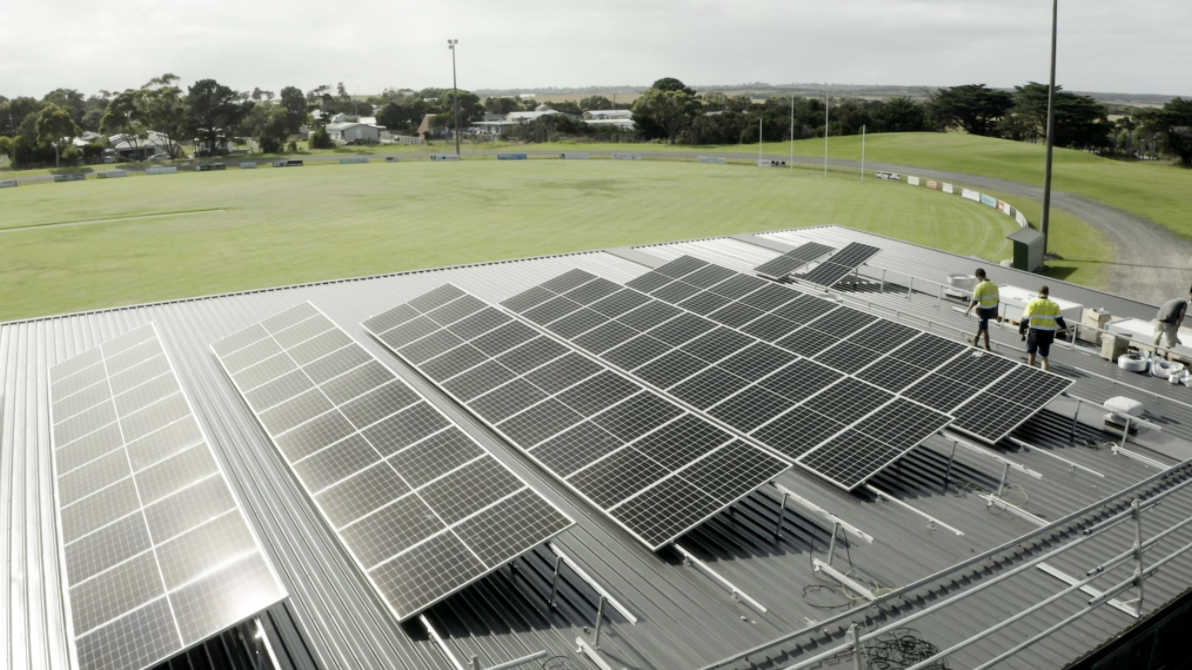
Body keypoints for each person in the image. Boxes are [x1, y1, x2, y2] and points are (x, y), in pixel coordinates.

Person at [1019, 285, 1068, 371]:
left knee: (1032, 354)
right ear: (1048, 293)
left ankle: (1030, 372)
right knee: (1044, 357)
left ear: (1038, 292)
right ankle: (1044, 375)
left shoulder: (1032, 303)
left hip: (1034, 332)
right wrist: (1066, 329)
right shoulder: (1054, 305)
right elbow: (1059, 320)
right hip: (1047, 333)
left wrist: (1021, 332)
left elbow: (1024, 320)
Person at [964, 268, 999, 351]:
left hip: (983, 311)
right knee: (982, 326)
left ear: (979, 276)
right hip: (993, 310)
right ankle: (975, 339)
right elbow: (997, 300)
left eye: (977, 277)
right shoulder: (994, 285)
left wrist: (968, 309)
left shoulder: (980, 286)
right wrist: (996, 313)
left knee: (985, 328)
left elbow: (975, 301)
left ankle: (987, 346)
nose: (978, 279)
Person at [1153, 287, 1190, 360]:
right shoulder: (1184, 302)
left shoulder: (1172, 301)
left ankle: (1154, 352)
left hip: (1159, 318)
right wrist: (1178, 325)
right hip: (1170, 321)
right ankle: (1165, 356)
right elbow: (1182, 314)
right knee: (1169, 340)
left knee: (1157, 336)